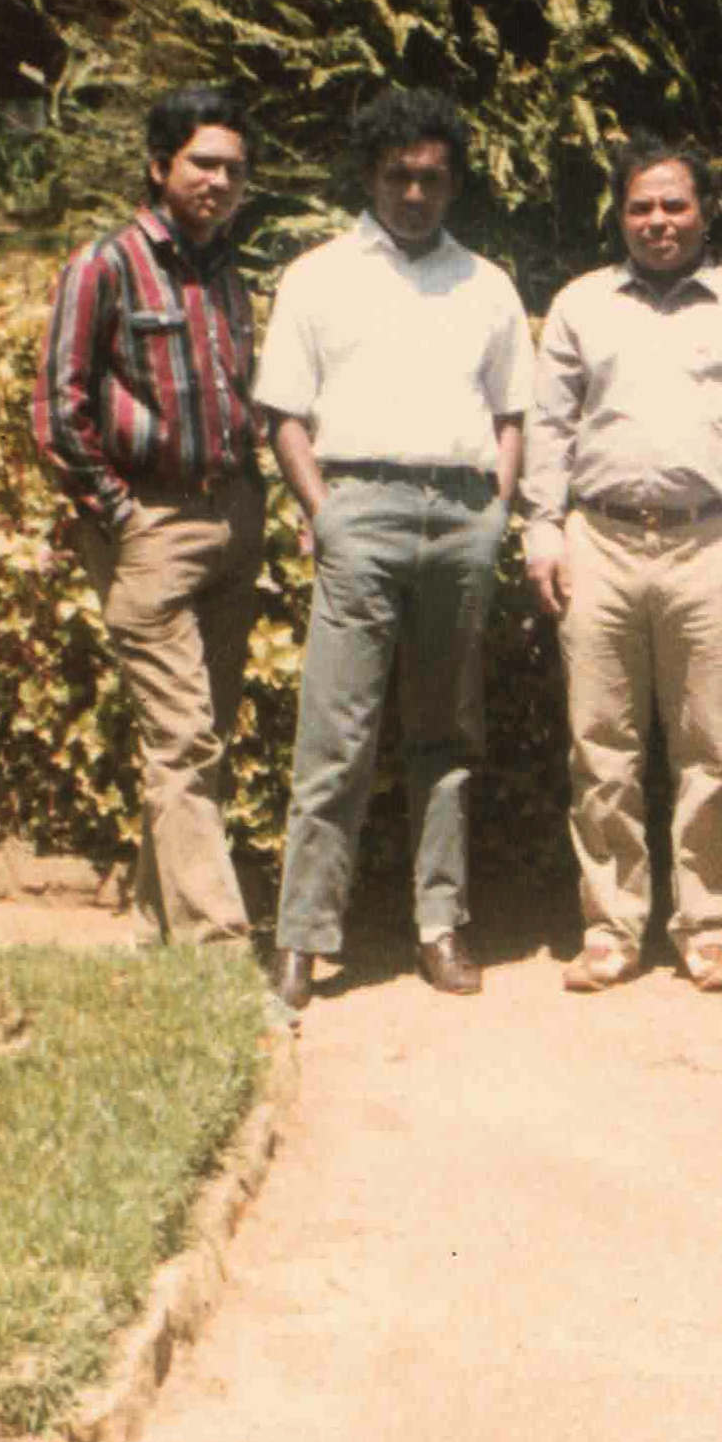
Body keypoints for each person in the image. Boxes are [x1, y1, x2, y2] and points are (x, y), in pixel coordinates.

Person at [254, 87, 536, 1005]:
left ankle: (439, 925)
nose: (414, 194)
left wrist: (494, 511)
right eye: (397, 176)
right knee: (336, 735)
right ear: (370, 177)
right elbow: (284, 412)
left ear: (453, 185)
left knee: (446, 734)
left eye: (432, 179)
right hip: (360, 513)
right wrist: (326, 512)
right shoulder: (319, 277)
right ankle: (302, 938)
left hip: (460, 518)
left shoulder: (486, 284)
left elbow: (512, 412)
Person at [522, 140, 722, 994]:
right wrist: (540, 527)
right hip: (598, 541)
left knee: (712, 744)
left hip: (711, 542)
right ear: (619, 214)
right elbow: (548, 426)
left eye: (675, 205)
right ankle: (610, 928)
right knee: (600, 742)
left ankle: (705, 928)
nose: (658, 222)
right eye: (641, 206)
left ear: (706, 211)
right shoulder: (580, 305)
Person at [31, 84, 265, 952]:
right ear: (159, 165)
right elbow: (56, 410)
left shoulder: (228, 271)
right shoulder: (104, 266)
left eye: (234, 168)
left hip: (232, 519)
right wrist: (122, 515)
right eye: (203, 163)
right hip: (152, 527)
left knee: (202, 742)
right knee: (184, 739)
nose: (220, 182)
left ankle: (155, 931)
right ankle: (217, 950)